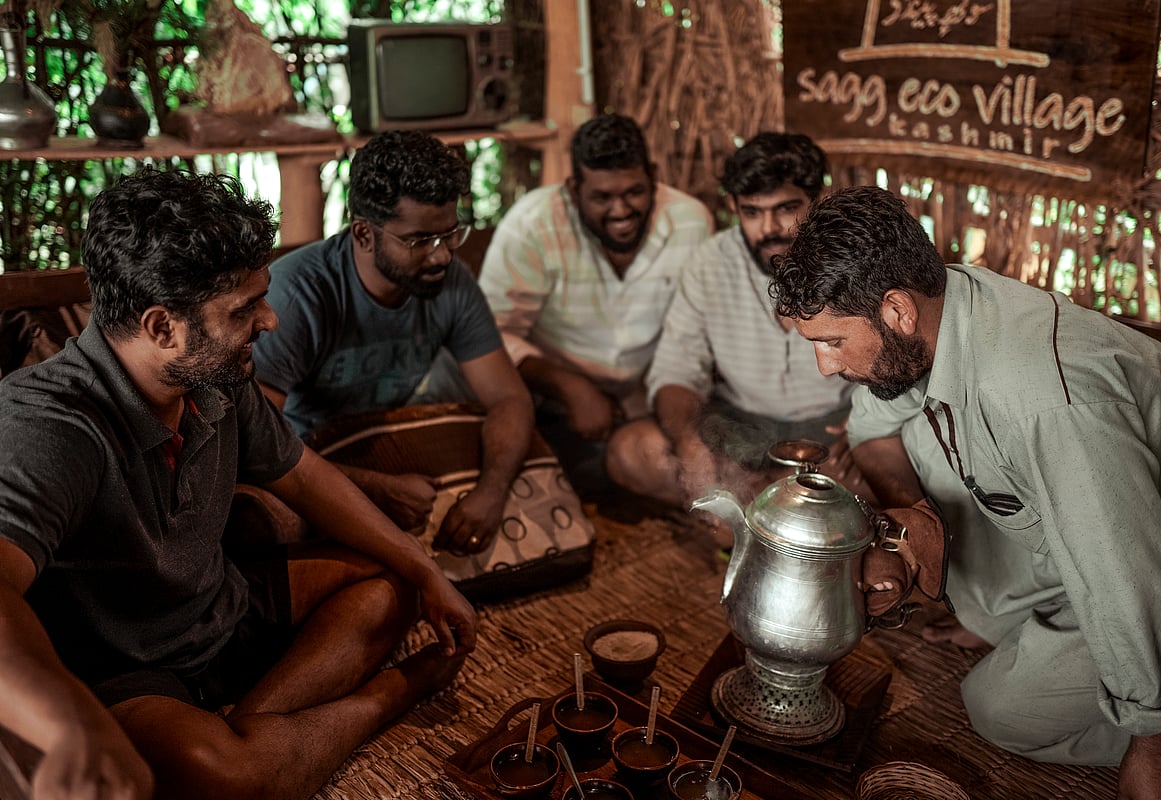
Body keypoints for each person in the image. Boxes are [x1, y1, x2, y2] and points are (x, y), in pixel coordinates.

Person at [0, 169, 477, 800]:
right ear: (161, 326)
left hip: (221, 607)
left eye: (263, 296)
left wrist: (424, 570)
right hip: (128, 671)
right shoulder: (46, 423)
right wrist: (68, 728)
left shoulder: (215, 377)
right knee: (223, 775)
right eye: (245, 308)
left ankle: (255, 723)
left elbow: (304, 477)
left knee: (393, 586)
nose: (271, 321)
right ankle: (393, 694)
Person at [771, 184, 1161, 800]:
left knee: (999, 709)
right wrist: (913, 514)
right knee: (925, 437)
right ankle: (1015, 612)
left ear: (895, 310)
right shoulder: (946, 306)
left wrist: (1153, 747)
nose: (825, 366)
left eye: (832, 341)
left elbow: (1127, 569)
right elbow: (871, 429)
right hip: (1100, 537)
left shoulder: (1045, 397)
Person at [253, 131, 534, 557]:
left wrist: (490, 494)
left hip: (391, 439)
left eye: (450, 235)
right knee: (277, 521)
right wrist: (371, 489)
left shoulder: (449, 281)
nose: (441, 256)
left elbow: (509, 399)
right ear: (364, 234)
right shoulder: (298, 295)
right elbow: (254, 443)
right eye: (420, 241)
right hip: (307, 454)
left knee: (514, 463)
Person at [605, 132, 853, 506]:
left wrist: (868, 428)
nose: (768, 228)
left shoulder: (856, 260)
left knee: (881, 462)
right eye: (751, 212)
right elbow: (676, 369)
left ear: (817, 201)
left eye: (786, 208)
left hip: (833, 436)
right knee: (632, 451)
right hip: (739, 430)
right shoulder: (710, 263)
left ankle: (745, 521)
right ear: (733, 207)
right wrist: (689, 444)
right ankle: (763, 516)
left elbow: (899, 376)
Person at [477, 113, 713, 493]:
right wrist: (569, 387)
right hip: (545, 406)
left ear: (652, 176)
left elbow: (691, 338)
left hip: (642, 407)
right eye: (602, 197)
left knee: (658, 459)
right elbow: (490, 335)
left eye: (634, 192)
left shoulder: (691, 221)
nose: (620, 211)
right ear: (572, 190)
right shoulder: (532, 224)